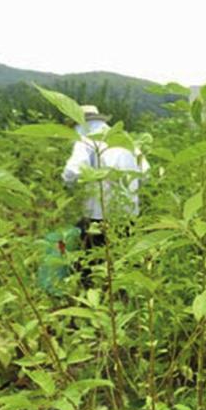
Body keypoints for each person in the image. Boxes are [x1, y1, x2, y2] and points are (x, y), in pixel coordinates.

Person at [62, 105, 150, 283]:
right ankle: (121, 298)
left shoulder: (85, 140)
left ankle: (93, 299)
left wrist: (76, 185)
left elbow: (71, 172)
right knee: (123, 260)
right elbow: (146, 172)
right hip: (128, 213)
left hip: (97, 215)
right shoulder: (126, 140)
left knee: (92, 263)